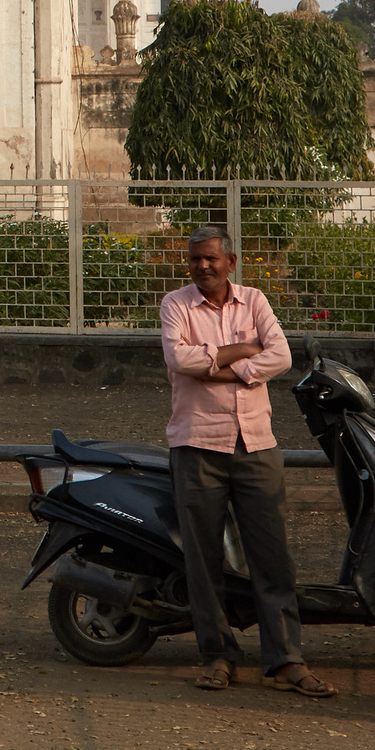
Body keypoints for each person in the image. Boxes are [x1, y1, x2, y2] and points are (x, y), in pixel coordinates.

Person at [157, 225, 329, 697]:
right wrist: (246, 356)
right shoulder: (176, 305)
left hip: (256, 444)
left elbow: (281, 357)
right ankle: (218, 656)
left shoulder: (254, 301)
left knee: (272, 557)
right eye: (195, 259)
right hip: (197, 444)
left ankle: (286, 660)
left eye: (211, 258)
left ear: (230, 262)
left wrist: (219, 366)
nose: (203, 266)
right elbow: (179, 360)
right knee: (203, 559)